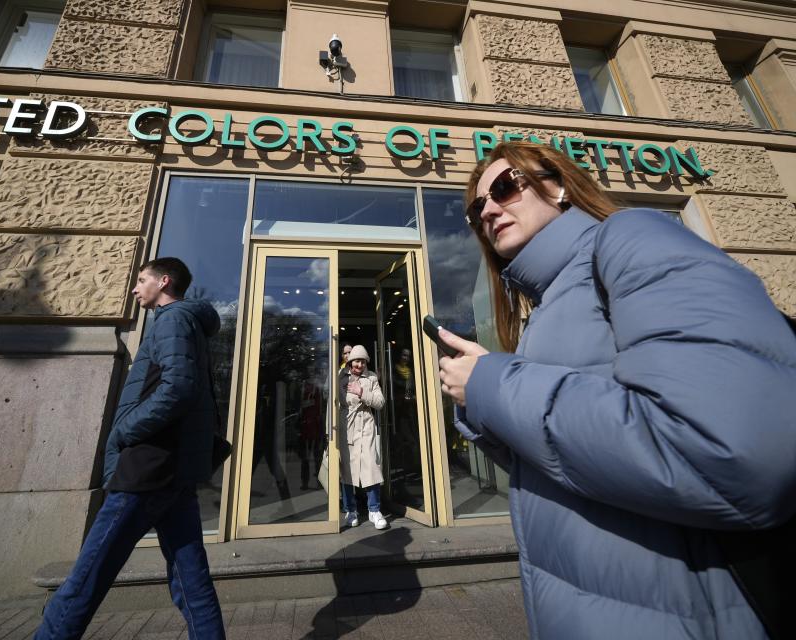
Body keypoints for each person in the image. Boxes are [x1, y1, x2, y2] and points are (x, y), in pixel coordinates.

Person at [437, 141, 796, 639]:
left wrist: (494, 385)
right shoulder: (544, 308)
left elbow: (731, 456)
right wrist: (482, 408)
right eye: (478, 208)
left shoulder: (632, 237)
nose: (490, 209)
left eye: (504, 187)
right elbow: (571, 466)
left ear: (559, 185)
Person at [34, 257, 225, 640]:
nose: (136, 289)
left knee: (89, 573)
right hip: (173, 470)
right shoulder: (184, 323)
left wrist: (125, 430)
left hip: (148, 466)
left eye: (142, 280)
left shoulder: (172, 319)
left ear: (164, 281)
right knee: (191, 580)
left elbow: (179, 388)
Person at [338, 345, 387, 530]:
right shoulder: (340, 376)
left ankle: (374, 510)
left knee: (371, 468)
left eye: (363, 361)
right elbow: (332, 402)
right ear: (350, 361)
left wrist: (362, 392)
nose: (359, 364)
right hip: (346, 427)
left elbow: (380, 402)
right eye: (356, 361)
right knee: (347, 470)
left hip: (366, 426)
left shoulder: (372, 377)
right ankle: (351, 510)